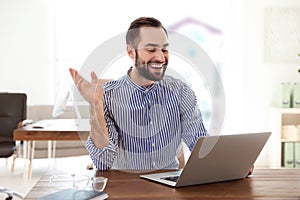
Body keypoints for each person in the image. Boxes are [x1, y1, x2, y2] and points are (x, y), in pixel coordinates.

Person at [69, 17, 207, 170]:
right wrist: (96, 106)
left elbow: (201, 149)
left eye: (164, 49)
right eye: (151, 50)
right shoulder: (108, 95)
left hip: (169, 186)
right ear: (130, 52)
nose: (161, 58)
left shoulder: (181, 92)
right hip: (125, 187)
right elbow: (103, 163)